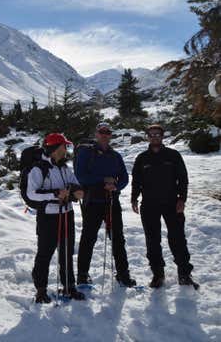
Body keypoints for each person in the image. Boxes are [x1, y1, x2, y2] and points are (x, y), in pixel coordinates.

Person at [131, 124, 198, 289]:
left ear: (162, 136)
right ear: (147, 137)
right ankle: (157, 274)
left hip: (172, 203)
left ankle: (184, 273)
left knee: (178, 239)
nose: (154, 137)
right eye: (151, 134)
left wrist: (182, 199)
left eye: (157, 134)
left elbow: (183, 179)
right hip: (149, 204)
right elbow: (136, 181)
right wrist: (134, 199)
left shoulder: (173, 155)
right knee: (152, 240)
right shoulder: (142, 158)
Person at [74, 123, 136, 287]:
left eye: (107, 132)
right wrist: (104, 181)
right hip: (92, 202)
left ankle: (123, 274)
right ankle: (82, 275)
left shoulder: (115, 156)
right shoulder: (86, 153)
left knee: (118, 239)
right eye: (102, 132)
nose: (104, 135)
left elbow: (124, 178)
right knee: (88, 238)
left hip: (111, 201)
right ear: (96, 134)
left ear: (110, 135)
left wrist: (115, 186)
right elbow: (80, 176)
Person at [28, 133, 85, 303]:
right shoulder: (39, 169)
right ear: (54, 148)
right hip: (48, 218)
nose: (65, 150)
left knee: (66, 253)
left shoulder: (64, 168)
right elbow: (32, 194)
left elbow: (75, 184)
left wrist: (77, 191)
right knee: (45, 254)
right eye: (63, 146)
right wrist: (54, 194)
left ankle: (69, 286)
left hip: (67, 213)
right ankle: (41, 290)